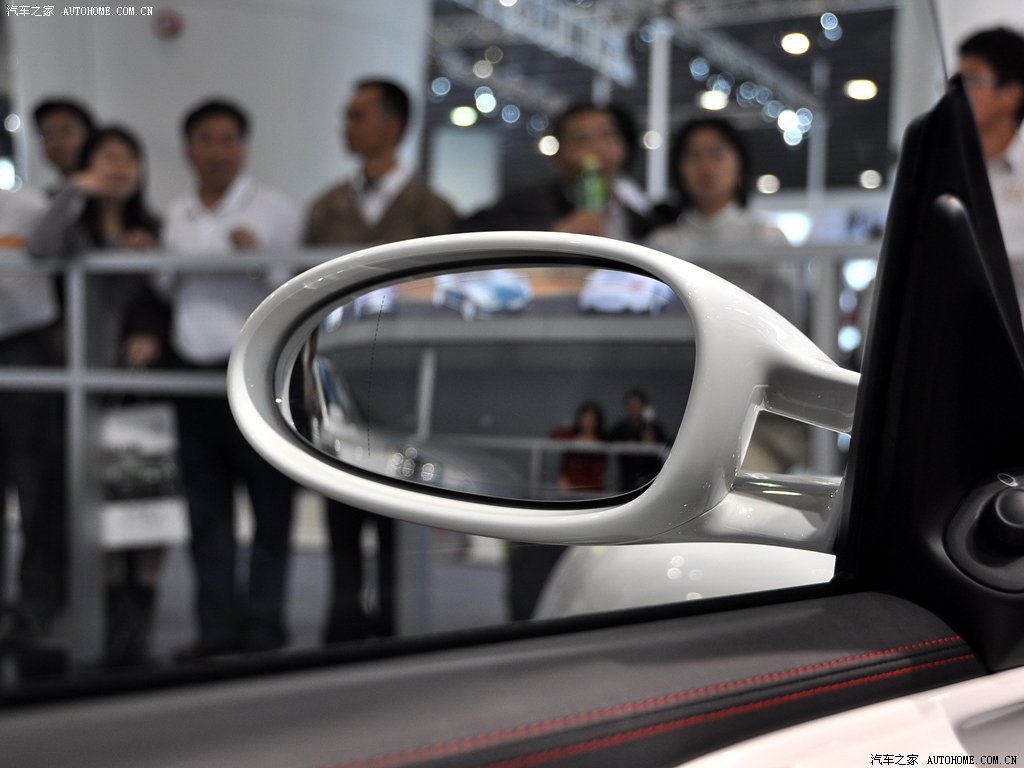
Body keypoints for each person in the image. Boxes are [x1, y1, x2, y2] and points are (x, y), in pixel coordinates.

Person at [304, 79, 456, 644]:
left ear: (394, 125)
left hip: (406, 385)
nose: (346, 127)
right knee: (340, 509)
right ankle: (342, 623)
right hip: (337, 378)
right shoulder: (326, 207)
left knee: (399, 510)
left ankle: (398, 628)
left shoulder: (433, 209)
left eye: (358, 115)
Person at [157, 99, 300, 659]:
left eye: (227, 139)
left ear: (243, 147)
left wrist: (256, 258)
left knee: (271, 508)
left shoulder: (275, 208)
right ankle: (214, 629)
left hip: (257, 376)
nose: (217, 151)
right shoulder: (177, 213)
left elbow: (294, 287)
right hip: (192, 377)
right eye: (205, 139)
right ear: (188, 149)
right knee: (205, 513)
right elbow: (164, 286)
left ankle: (264, 626)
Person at [27, 125, 171, 666]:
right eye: (107, 158)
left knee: (145, 499)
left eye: (128, 158)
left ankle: (142, 609)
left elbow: (165, 299)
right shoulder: (74, 226)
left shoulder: (152, 227)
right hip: (83, 380)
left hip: (137, 379)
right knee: (97, 502)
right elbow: (40, 249)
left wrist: (150, 276)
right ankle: (111, 612)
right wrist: (76, 191)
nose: (118, 168)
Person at [646, 118, 806, 473]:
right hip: (675, 393)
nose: (706, 166)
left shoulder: (768, 239)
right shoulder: (661, 244)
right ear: (679, 169)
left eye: (717, 153)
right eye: (693, 156)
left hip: (756, 404)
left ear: (739, 163)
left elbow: (788, 328)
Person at [0, 189, 66, 640]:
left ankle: (37, 603)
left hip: (24, 344)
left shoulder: (29, 207)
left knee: (36, 485)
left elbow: (64, 259)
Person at [460, 102, 658, 241]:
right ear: (558, 155)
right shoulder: (524, 204)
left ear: (624, 148)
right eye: (581, 139)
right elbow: (470, 233)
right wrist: (555, 233)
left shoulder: (638, 215)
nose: (598, 147)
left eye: (608, 135)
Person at [957, 27, 1024, 292]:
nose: (957, 93)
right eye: (954, 82)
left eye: (971, 80)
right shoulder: (943, 170)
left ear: (1011, 93)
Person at [608, 388, 668, 493]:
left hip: (650, 478)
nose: (634, 408)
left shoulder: (653, 428)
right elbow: (608, 442)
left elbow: (666, 445)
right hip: (627, 479)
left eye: (637, 405)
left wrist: (652, 440)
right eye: (631, 405)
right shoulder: (621, 428)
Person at [32, 98, 96, 191]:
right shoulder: (49, 196)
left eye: (65, 131)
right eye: (46, 134)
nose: (55, 141)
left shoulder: (108, 192)